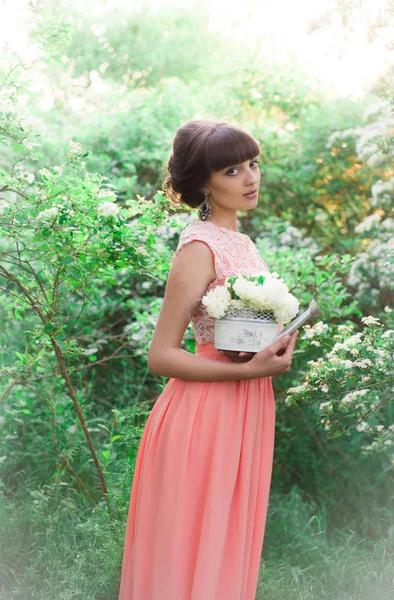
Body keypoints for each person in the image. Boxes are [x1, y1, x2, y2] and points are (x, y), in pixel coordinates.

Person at [118, 119, 299, 600]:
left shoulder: (243, 243)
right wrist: (248, 369)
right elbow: (161, 354)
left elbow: (237, 328)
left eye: (253, 164)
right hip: (206, 413)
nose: (251, 178)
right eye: (233, 170)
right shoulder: (199, 246)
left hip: (247, 407)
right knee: (194, 547)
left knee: (226, 542)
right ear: (203, 183)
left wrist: (274, 345)